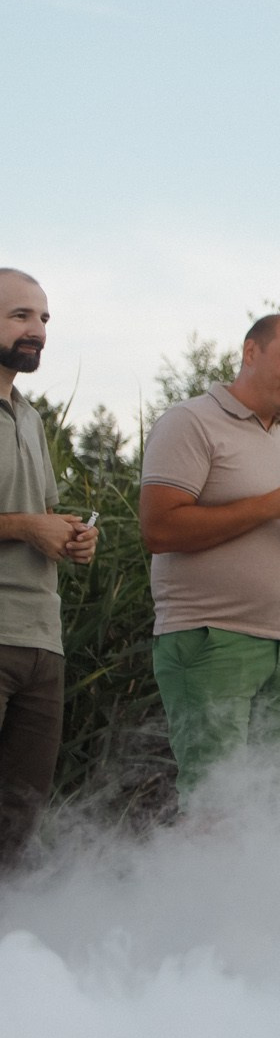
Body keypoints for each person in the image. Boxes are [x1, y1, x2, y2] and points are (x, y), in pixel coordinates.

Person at [139, 314, 280, 799]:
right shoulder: (189, 421)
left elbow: (278, 534)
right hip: (211, 639)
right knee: (216, 803)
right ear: (251, 352)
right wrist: (271, 505)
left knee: (264, 803)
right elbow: (159, 530)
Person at [0, 270, 96, 861]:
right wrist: (24, 527)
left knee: (19, 821)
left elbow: (43, 514)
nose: (37, 330)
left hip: (42, 641)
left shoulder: (30, 416)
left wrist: (70, 537)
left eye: (43, 318)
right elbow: (25, 521)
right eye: (20, 316)